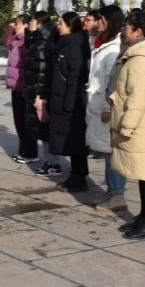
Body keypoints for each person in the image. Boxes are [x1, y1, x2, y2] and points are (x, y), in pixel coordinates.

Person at [110, 11, 145, 239]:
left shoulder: (141, 61)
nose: (123, 31)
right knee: (143, 174)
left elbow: (138, 97)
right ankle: (144, 216)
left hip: (141, 126)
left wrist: (127, 126)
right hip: (142, 125)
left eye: (126, 27)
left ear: (138, 32)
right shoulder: (137, 55)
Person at [88, 5, 126, 210]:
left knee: (112, 151)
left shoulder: (112, 50)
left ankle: (117, 193)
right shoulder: (103, 44)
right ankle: (112, 191)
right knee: (106, 149)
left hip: (107, 108)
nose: (97, 23)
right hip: (98, 106)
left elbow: (113, 82)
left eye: (100, 20)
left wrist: (106, 107)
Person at [49, 12, 91, 192]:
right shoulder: (66, 42)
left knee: (75, 140)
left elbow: (75, 77)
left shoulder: (74, 45)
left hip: (71, 101)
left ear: (71, 25)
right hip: (63, 98)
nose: (58, 26)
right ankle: (76, 174)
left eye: (62, 23)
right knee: (71, 140)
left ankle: (79, 177)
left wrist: (68, 103)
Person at [23, 12, 55, 175]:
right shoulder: (38, 39)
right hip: (37, 91)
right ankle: (49, 161)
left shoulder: (42, 43)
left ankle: (52, 163)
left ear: (40, 23)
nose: (29, 22)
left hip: (40, 94)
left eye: (32, 20)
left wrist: (38, 95)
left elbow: (42, 72)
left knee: (44, 129)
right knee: (42, 129)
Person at [6, 14, 37, 163]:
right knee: (19, 122)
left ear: (26, 25)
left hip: (24, 87)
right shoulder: (17, 40)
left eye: (18, 23)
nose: (16, 26)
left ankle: (29, 153)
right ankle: (24, 151)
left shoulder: (26, 41)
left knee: (25, 123)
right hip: (16, 87)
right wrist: (10, 30)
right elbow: (8, 43)